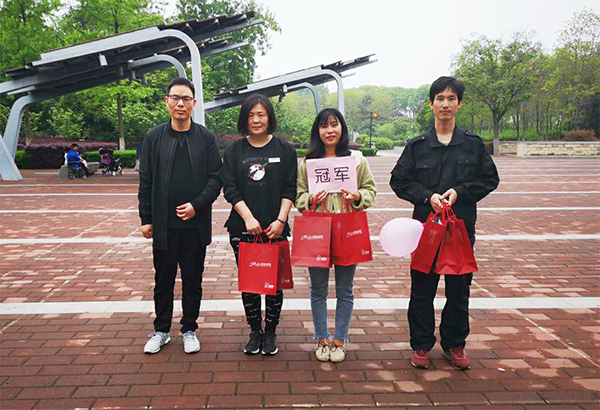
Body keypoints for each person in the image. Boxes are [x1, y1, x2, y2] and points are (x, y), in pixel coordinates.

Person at [389, 76, 499, 370]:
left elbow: (490, 179)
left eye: (451, 98)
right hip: (426, 231)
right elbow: (398, 181)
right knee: (422, 290)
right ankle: (421, 345)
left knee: (459, 289)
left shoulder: (473, 145)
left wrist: (460, 192)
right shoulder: (417, 146)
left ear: (459, 104)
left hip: (460, 231)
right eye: (440, 98)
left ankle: (454, 344)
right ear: (431, 104)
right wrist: (428, 197)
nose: (445, 104)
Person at [138, 77, 222, 354]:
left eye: (186, 99)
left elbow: (215, 178)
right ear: (167, 102)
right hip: (163, 225)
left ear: (194, 103)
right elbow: (146, 180)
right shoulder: (154, 138)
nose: (180, 104)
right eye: (175, 98)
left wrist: (197, 205)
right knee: (163, 280)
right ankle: (161, 330)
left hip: (195, 225)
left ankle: (189, 329)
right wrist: (146, 218)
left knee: (192, 281)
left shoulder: (206, 138)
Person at [296, 108, 377, 363]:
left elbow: (370, 190)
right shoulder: (308, 163)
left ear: (342, 127)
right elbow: (298, 196)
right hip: (316, 232)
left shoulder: (356, 160)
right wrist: (309, 199)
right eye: (324, 126)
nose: (329, 130)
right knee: (318, 289)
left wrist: (358, 196)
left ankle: (340, 340)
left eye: (334, 124)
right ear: (317, 131)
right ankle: (322, 338)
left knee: (345, 289)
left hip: (347, 230)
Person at [222, 94, 297, 356]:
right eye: (251, 115)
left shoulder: (285, 149)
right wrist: (248, 218)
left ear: (269, 117)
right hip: (242, 229)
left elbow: (290, 188)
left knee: (274, 283)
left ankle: (271, 331)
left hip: (275, 228)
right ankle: (255, 330)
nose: (256, 120)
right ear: (245, 119)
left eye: (261, 114)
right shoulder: (235, 151)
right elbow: (230, 188)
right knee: (251, 283)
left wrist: (281, 220)